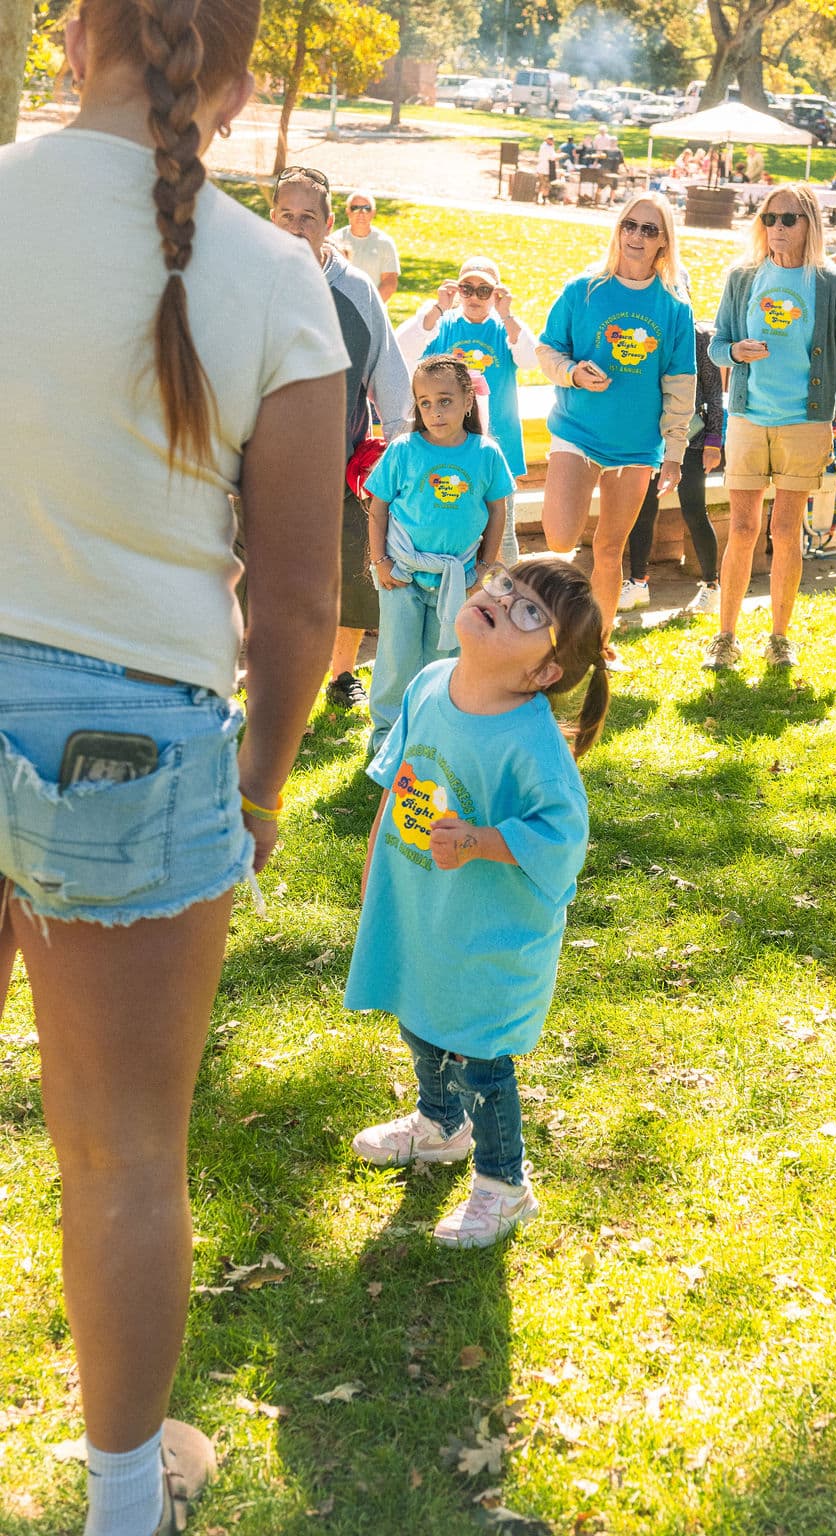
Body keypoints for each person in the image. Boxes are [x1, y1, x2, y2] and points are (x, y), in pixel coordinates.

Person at [0, 0, 348, 1527]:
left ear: (79, 38)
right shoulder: (283, 279)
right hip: (135, 736)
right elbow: (299, 603)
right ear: (240, 70)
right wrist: (263, 786)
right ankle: (125, 1501)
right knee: (127, 1154)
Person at [346, 559, 608, 1247]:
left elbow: (562, 836)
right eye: (504, 586)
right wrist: (377, 865)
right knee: (420, 1014)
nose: (503, 599)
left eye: (529, 613)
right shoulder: (431, 683)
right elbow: (399, 777)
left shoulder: (531, 744)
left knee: (480, 1057)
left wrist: (484, 842)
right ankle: (440, 1126)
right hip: (421, 901)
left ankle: (502, 1183)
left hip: (489, 927)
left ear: (544, 673)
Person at [705, 182, 836, 672]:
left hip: (805, 421)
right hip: (749, 417)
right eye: (769, 218)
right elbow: (715, 346)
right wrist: (734, 352)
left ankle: (778, 637)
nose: (776, 228)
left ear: (809, 225)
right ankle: (726, 637)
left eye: (788, 219)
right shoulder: (744, 277)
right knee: (745, 526)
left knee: (786, 528)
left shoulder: (832, 284)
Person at [269, 168, 410, 712]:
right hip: (264, 469)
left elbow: (390, 377)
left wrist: (400, 452)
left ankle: (342, 673)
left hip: (341, 467)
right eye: (287, 215)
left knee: (352, 577)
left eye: (309, 218)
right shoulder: (247, 280)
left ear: (329, 225)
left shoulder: (356, 291)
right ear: (273, 217)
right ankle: (275, 678)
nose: (296, 227)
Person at [537, 192, 697, 641]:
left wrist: (674, 452)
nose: (636, 236)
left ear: (663, 241)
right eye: (630, 224)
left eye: (649, 229)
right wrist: (572, 373)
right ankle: (547, 620)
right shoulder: (582, 290)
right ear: (618, 229)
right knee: (560, 539)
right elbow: (547, 349)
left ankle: (598, 647)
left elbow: (680, 386)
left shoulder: (675, 308)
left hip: (637, 446)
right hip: (578, 432)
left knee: (610, 550)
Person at [363, 354, 514, 750]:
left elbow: (497, 510)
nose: (435, 411)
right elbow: (377, 509)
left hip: (457, 576)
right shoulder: (403, 450)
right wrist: (380, 562)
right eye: (425, 403)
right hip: (403, 575)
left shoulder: (485, 453)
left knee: (440, 659)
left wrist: (483, 567)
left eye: (445, 400)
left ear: (468, 401)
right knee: (396, 659)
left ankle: (433, 732)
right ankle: (387, 738)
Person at [396, 255, 537, 568]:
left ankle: (505, 596)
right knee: (452, 523)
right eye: (467, 288)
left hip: (497, 445)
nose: (474, 297)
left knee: (503, 530)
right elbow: (402, 347)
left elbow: (531, 359)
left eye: (484, 290)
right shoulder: (443, 324)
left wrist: (508, 315)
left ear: (497, 294)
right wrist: (437, 308)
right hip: (449, 446)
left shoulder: (505, 328)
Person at [620, 321, 725, 614]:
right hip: (650, 438)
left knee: (694, 510)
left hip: (692, 437)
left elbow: (714, 391)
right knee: (643, 510)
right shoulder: (648, 329)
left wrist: (714, 441)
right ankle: (637, 582)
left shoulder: (700, 338)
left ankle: (711, 586)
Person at [331, 189, 400, 303]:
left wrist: (370, 306)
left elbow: (389, 282)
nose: (361, 213)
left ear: (373, 212)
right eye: (355, 208)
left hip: (373, 309)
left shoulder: (385, 243)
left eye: (366, 208)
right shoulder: (335, 241)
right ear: (348, 211)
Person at [537, 134, 559, 203]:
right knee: (546, 185)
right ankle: (543, 199)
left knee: (541, 184)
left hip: (541, 168)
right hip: (545, 169)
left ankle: (538, 198)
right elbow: (552, 157)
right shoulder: (547, 147)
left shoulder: (545, 146)